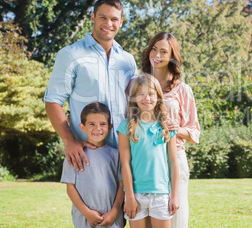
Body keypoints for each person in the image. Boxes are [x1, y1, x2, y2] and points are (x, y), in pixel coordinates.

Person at [44, 0, 137, 171]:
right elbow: (52, 101)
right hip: (88, 155)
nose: (108, 24)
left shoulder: (128, 60)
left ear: (121, 22)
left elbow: (136, 104)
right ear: (93, 17)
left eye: (114, 19)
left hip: (127, 155)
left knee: (130, 200)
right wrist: (69, 141)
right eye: (103, 17)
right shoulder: (70, 54)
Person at [141, 32, 200, 228]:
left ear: (172, 56)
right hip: (146, 160)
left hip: (174, 159)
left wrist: (178, 129)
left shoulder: (183, 89)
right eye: (154, 49)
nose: (157, 55)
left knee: (175, 216)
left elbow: (194, 132)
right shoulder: (138, 84)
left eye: (164, 51)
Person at [118, 73, 179, 228]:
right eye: (141, 94)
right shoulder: (126, 127)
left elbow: (173, 162)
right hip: (136, 194)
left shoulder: (166, 127)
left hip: (161, 193)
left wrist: (174, 196)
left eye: (151, 94)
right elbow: (125, 164)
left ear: (158, 97)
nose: (147, 98)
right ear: (134, 98)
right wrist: (130, 196)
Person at [61, 102, 124, 228]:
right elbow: (70, 188)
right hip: (85, 220)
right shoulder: (75, 155)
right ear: (83, 127)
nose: (98, 128)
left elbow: (121, 185)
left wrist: (114, 211)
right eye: (91, 124)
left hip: (112, 220)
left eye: (102, 124)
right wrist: (86, 212)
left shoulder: (116, 155)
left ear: (110, 127)